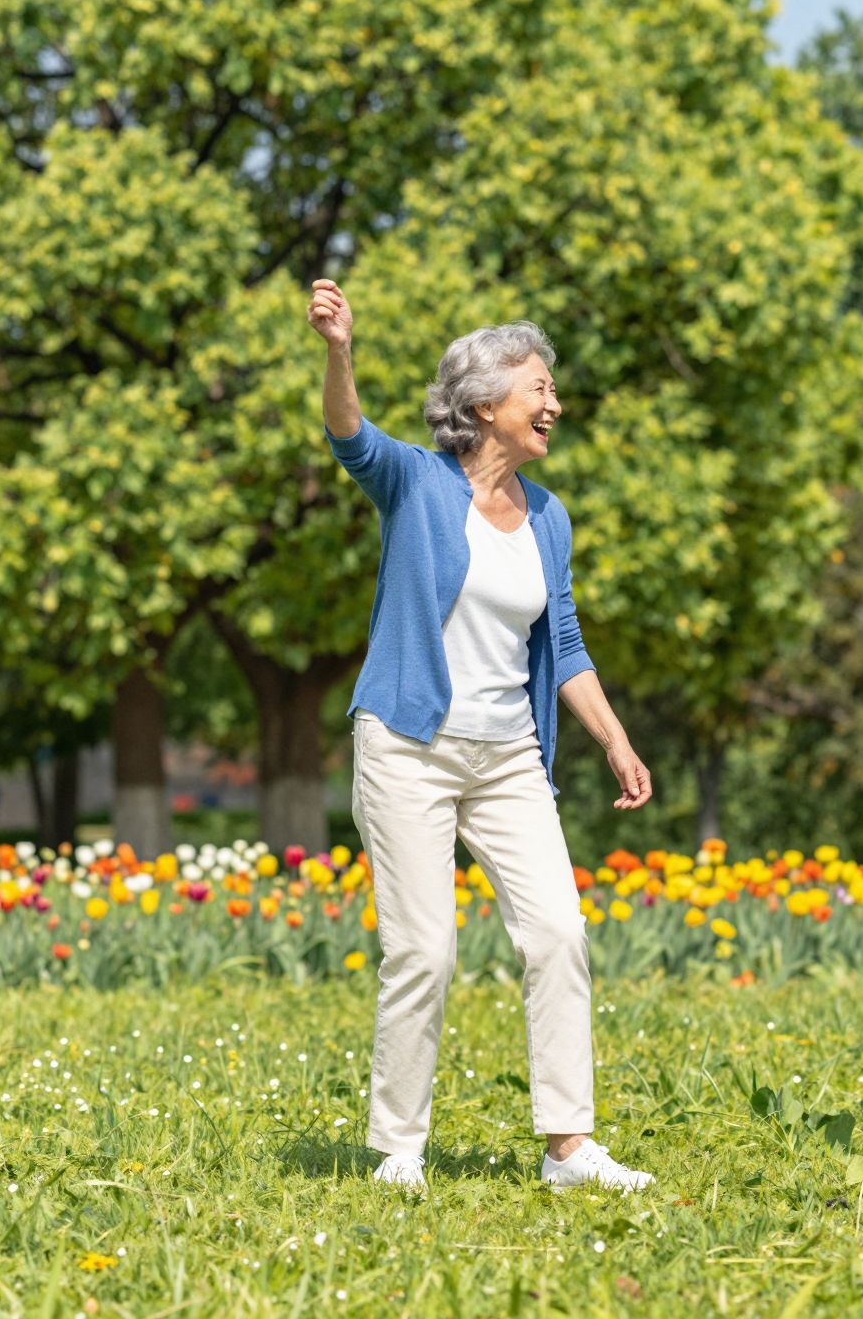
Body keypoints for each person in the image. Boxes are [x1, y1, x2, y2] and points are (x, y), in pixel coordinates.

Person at [308, 278, 656, 1193]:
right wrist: (340, 351)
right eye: (540, 386)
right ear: (484, 403)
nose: (555, 403)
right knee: (424, 950)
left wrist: (614, 740)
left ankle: (568, 1149)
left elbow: (563, 641)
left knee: (559, 934)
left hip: (508, 757)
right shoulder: (416, 482)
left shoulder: (548, 516)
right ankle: (399, 1150)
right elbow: (349, 435)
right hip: (409, 745)